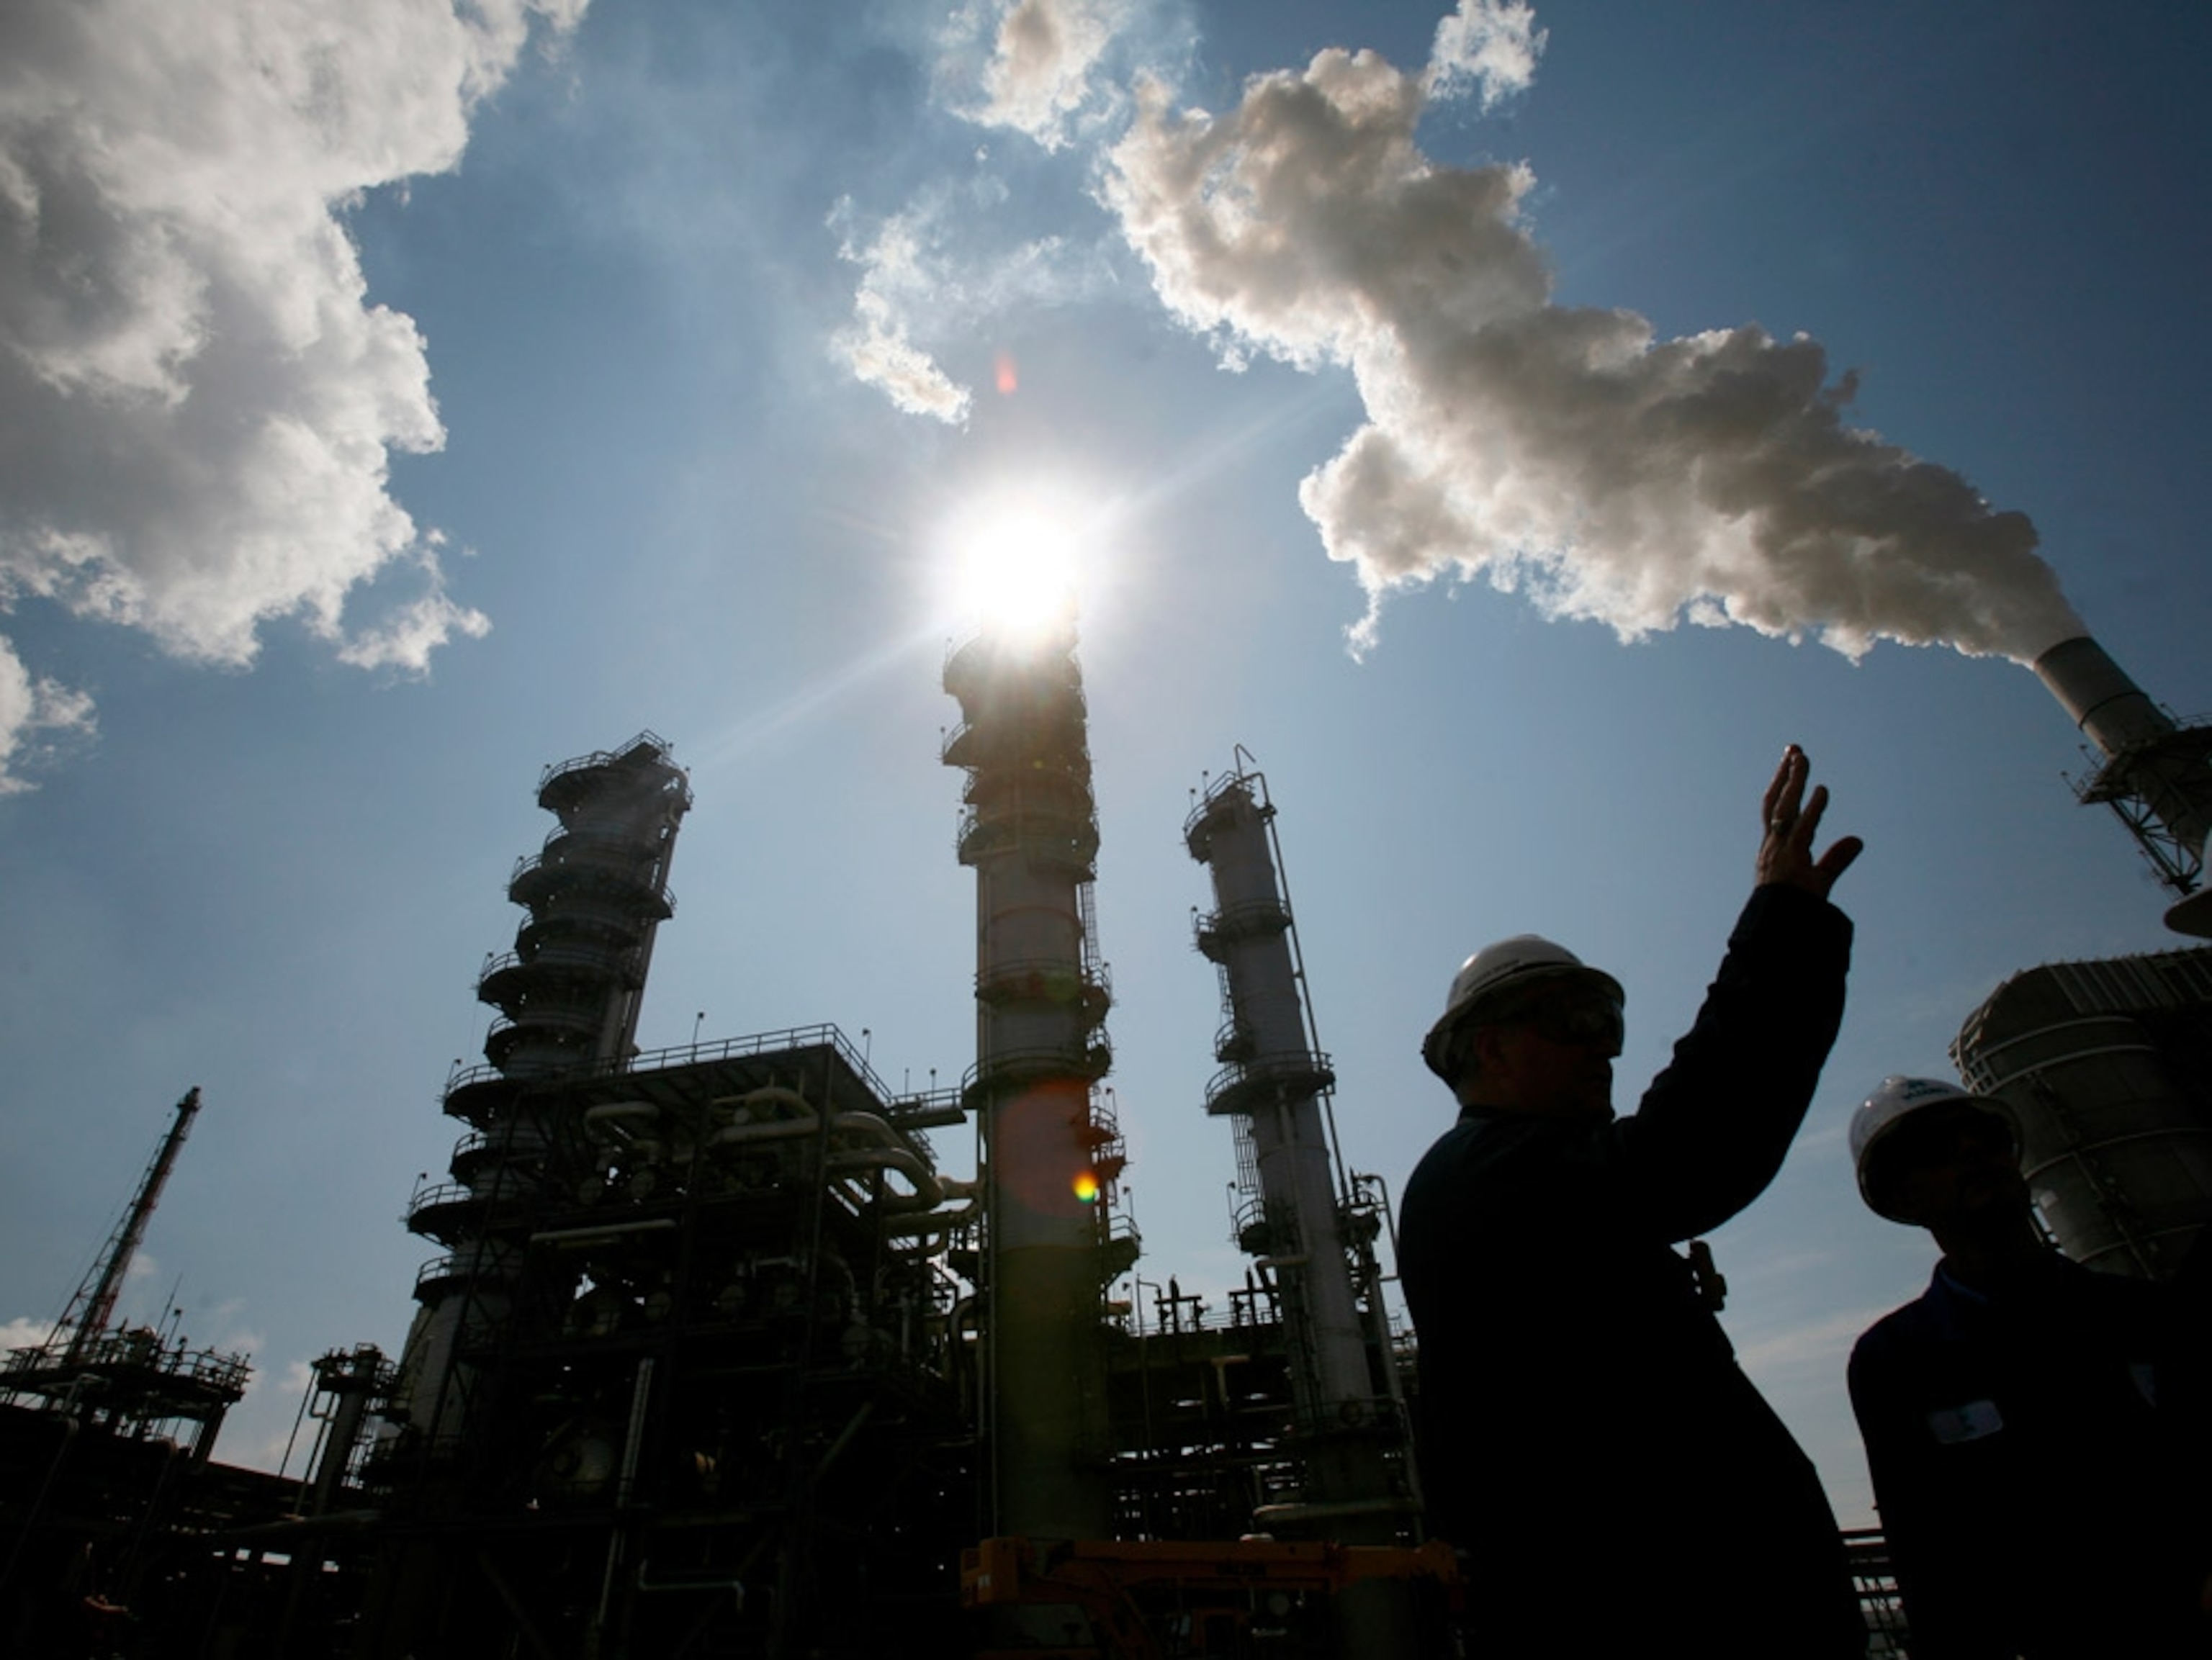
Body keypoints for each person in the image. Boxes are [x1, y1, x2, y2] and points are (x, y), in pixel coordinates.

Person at [1398, 744, 1867, 1657]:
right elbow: (1690, 1152)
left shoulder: (1530, 1174)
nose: (1604, 1046)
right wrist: (1783, 921)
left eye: (1609, 1023)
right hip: (1647, 1614)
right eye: (1573, 1022)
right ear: (1488, 1049)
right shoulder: (1478, 1177)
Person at [1846, 1076, 2211, 1658]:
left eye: (1986, 1137)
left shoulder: (2145, 1315)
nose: (1971, 1150)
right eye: (1938, 1147)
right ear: (1903, 1198)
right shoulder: (1896, 1361)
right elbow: (1927, 1558)